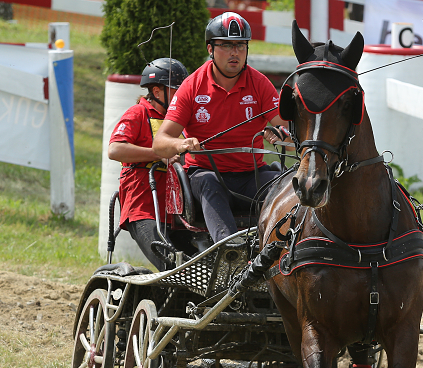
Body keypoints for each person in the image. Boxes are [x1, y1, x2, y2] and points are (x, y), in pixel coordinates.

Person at [153, 12, 291, 243]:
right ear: (210, 49)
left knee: (287, 183)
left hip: (252, 176)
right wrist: (181, 143)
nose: (235, 52)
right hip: (207, 175)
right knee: (209, 183)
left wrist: (281, 134)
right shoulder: (192, 86)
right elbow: (160, 142)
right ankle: (228, 250)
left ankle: (281, 250)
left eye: (240, 45)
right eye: (226, 45)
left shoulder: (260, 84)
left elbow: (288, 131)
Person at [107, 58, 189, 271]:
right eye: (175, 90)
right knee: (171, 266)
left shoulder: (182, 121)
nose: (181, 96)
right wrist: (157, 153)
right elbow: (115, 149)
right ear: (157, 91)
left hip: (178, 214)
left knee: (197, 267)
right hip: (143, 209)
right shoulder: (138, 113)